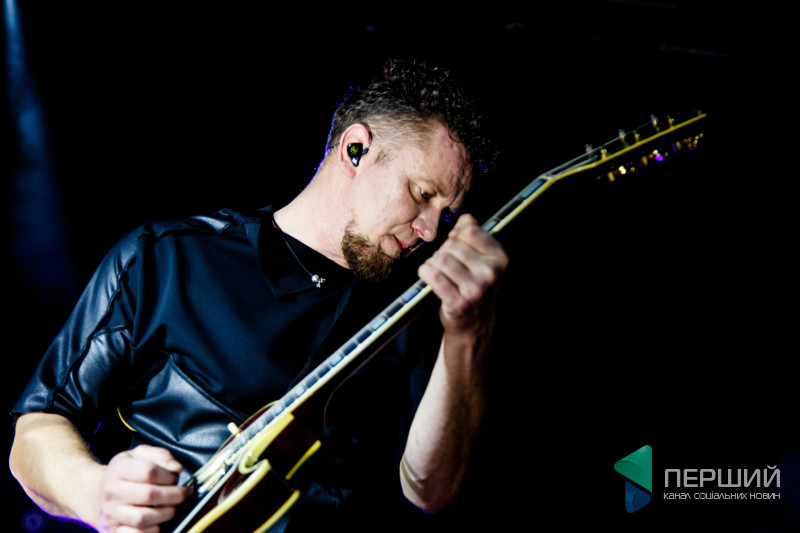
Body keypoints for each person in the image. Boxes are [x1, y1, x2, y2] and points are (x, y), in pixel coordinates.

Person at [9, 59, 507, 533]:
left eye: (444, 214)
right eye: (422, 194)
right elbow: (39, 426)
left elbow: (429, 491)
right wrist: (97, 493)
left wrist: (468, 335)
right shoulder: (168, 258)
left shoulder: (415, 314)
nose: (429, 231)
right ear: (355, 150)